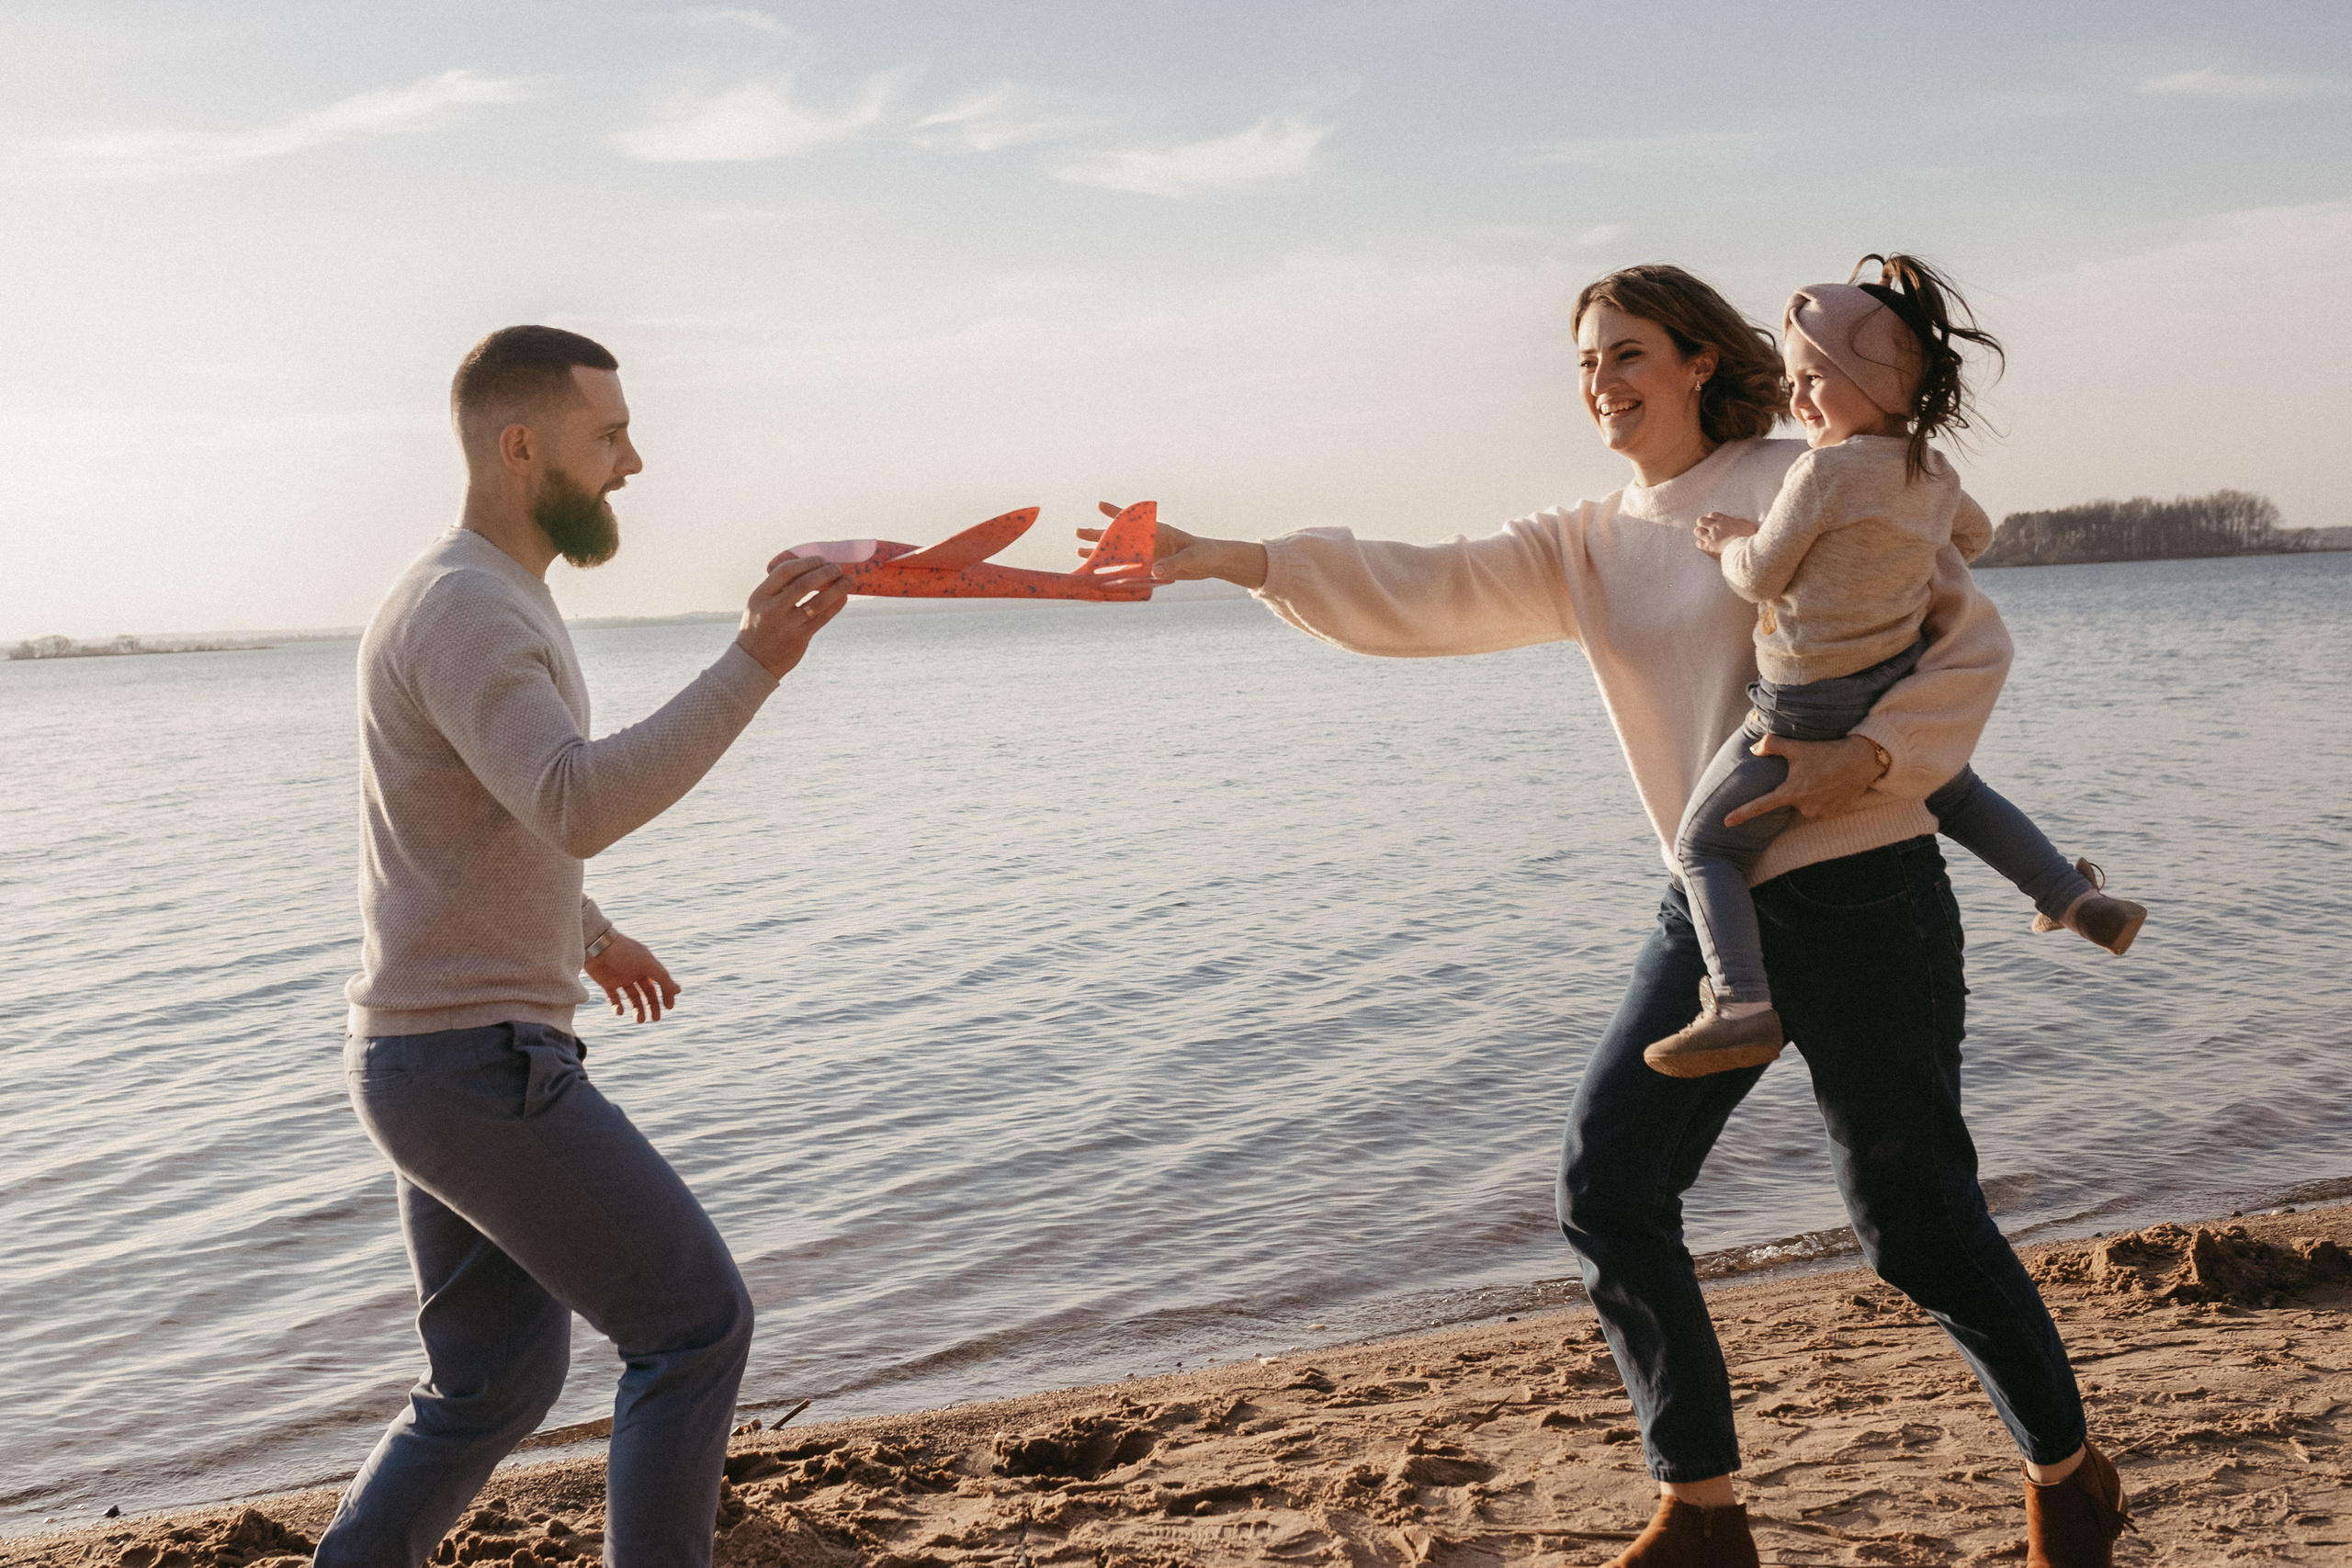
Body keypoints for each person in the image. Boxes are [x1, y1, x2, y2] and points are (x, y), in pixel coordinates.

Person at [1078, 266, 2133, 1566]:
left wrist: (1863, 760)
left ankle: (2069, 1475)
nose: (1601, 383)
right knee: (1608, 1183)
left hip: (1867, 888)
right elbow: (1418, 581)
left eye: (1626, 354)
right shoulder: (1589, 539)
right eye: (1585, 363)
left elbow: (1969, 645)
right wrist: (1219, 556)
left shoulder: (1811, 474)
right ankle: (1702, 1507)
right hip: (1714, 899)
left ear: (1699, 362)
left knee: (1914, 1228)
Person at [319, 325, 848, 1568]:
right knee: (694, 1323)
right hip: (475, 1065)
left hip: (440, 1057)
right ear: (521, 447)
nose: (634, 462)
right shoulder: (466, 608)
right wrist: (754, 662)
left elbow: (470, 817)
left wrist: (589, 928)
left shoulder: (480, 593)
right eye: (607, 435)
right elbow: (572, 798)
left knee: (494, 1379)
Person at [1647, 255, 2146, 1078]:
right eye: (1795, 379)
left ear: (1882, 382)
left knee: (1704, 847)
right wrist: (1897, 547)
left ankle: (1740, 1004)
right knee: (1955, 789)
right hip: (1893, 681)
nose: (1801, 398)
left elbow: (1759, 575)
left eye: (1820, 378)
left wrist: (1727, 537)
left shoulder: (1821, 472)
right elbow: (1972, 537)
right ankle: (2077, 899)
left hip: (1804, 705)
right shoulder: (1933, 470)